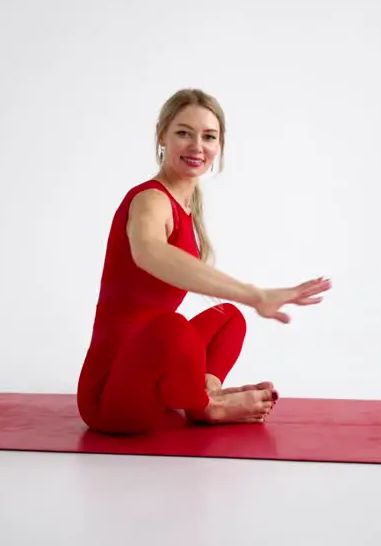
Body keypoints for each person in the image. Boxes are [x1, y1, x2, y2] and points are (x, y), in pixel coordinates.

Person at [76, 88, 332, 435]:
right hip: (110, 398)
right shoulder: (151, 199)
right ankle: (206, 407)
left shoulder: (187, 204)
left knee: (228, 317)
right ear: (162, 134)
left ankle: (202, 393)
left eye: (208, 136)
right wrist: (256, 295)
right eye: (184, 133)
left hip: (151, 367)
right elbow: (149, 251)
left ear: (219, 145)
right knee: (172, 326)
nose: (197, 146)